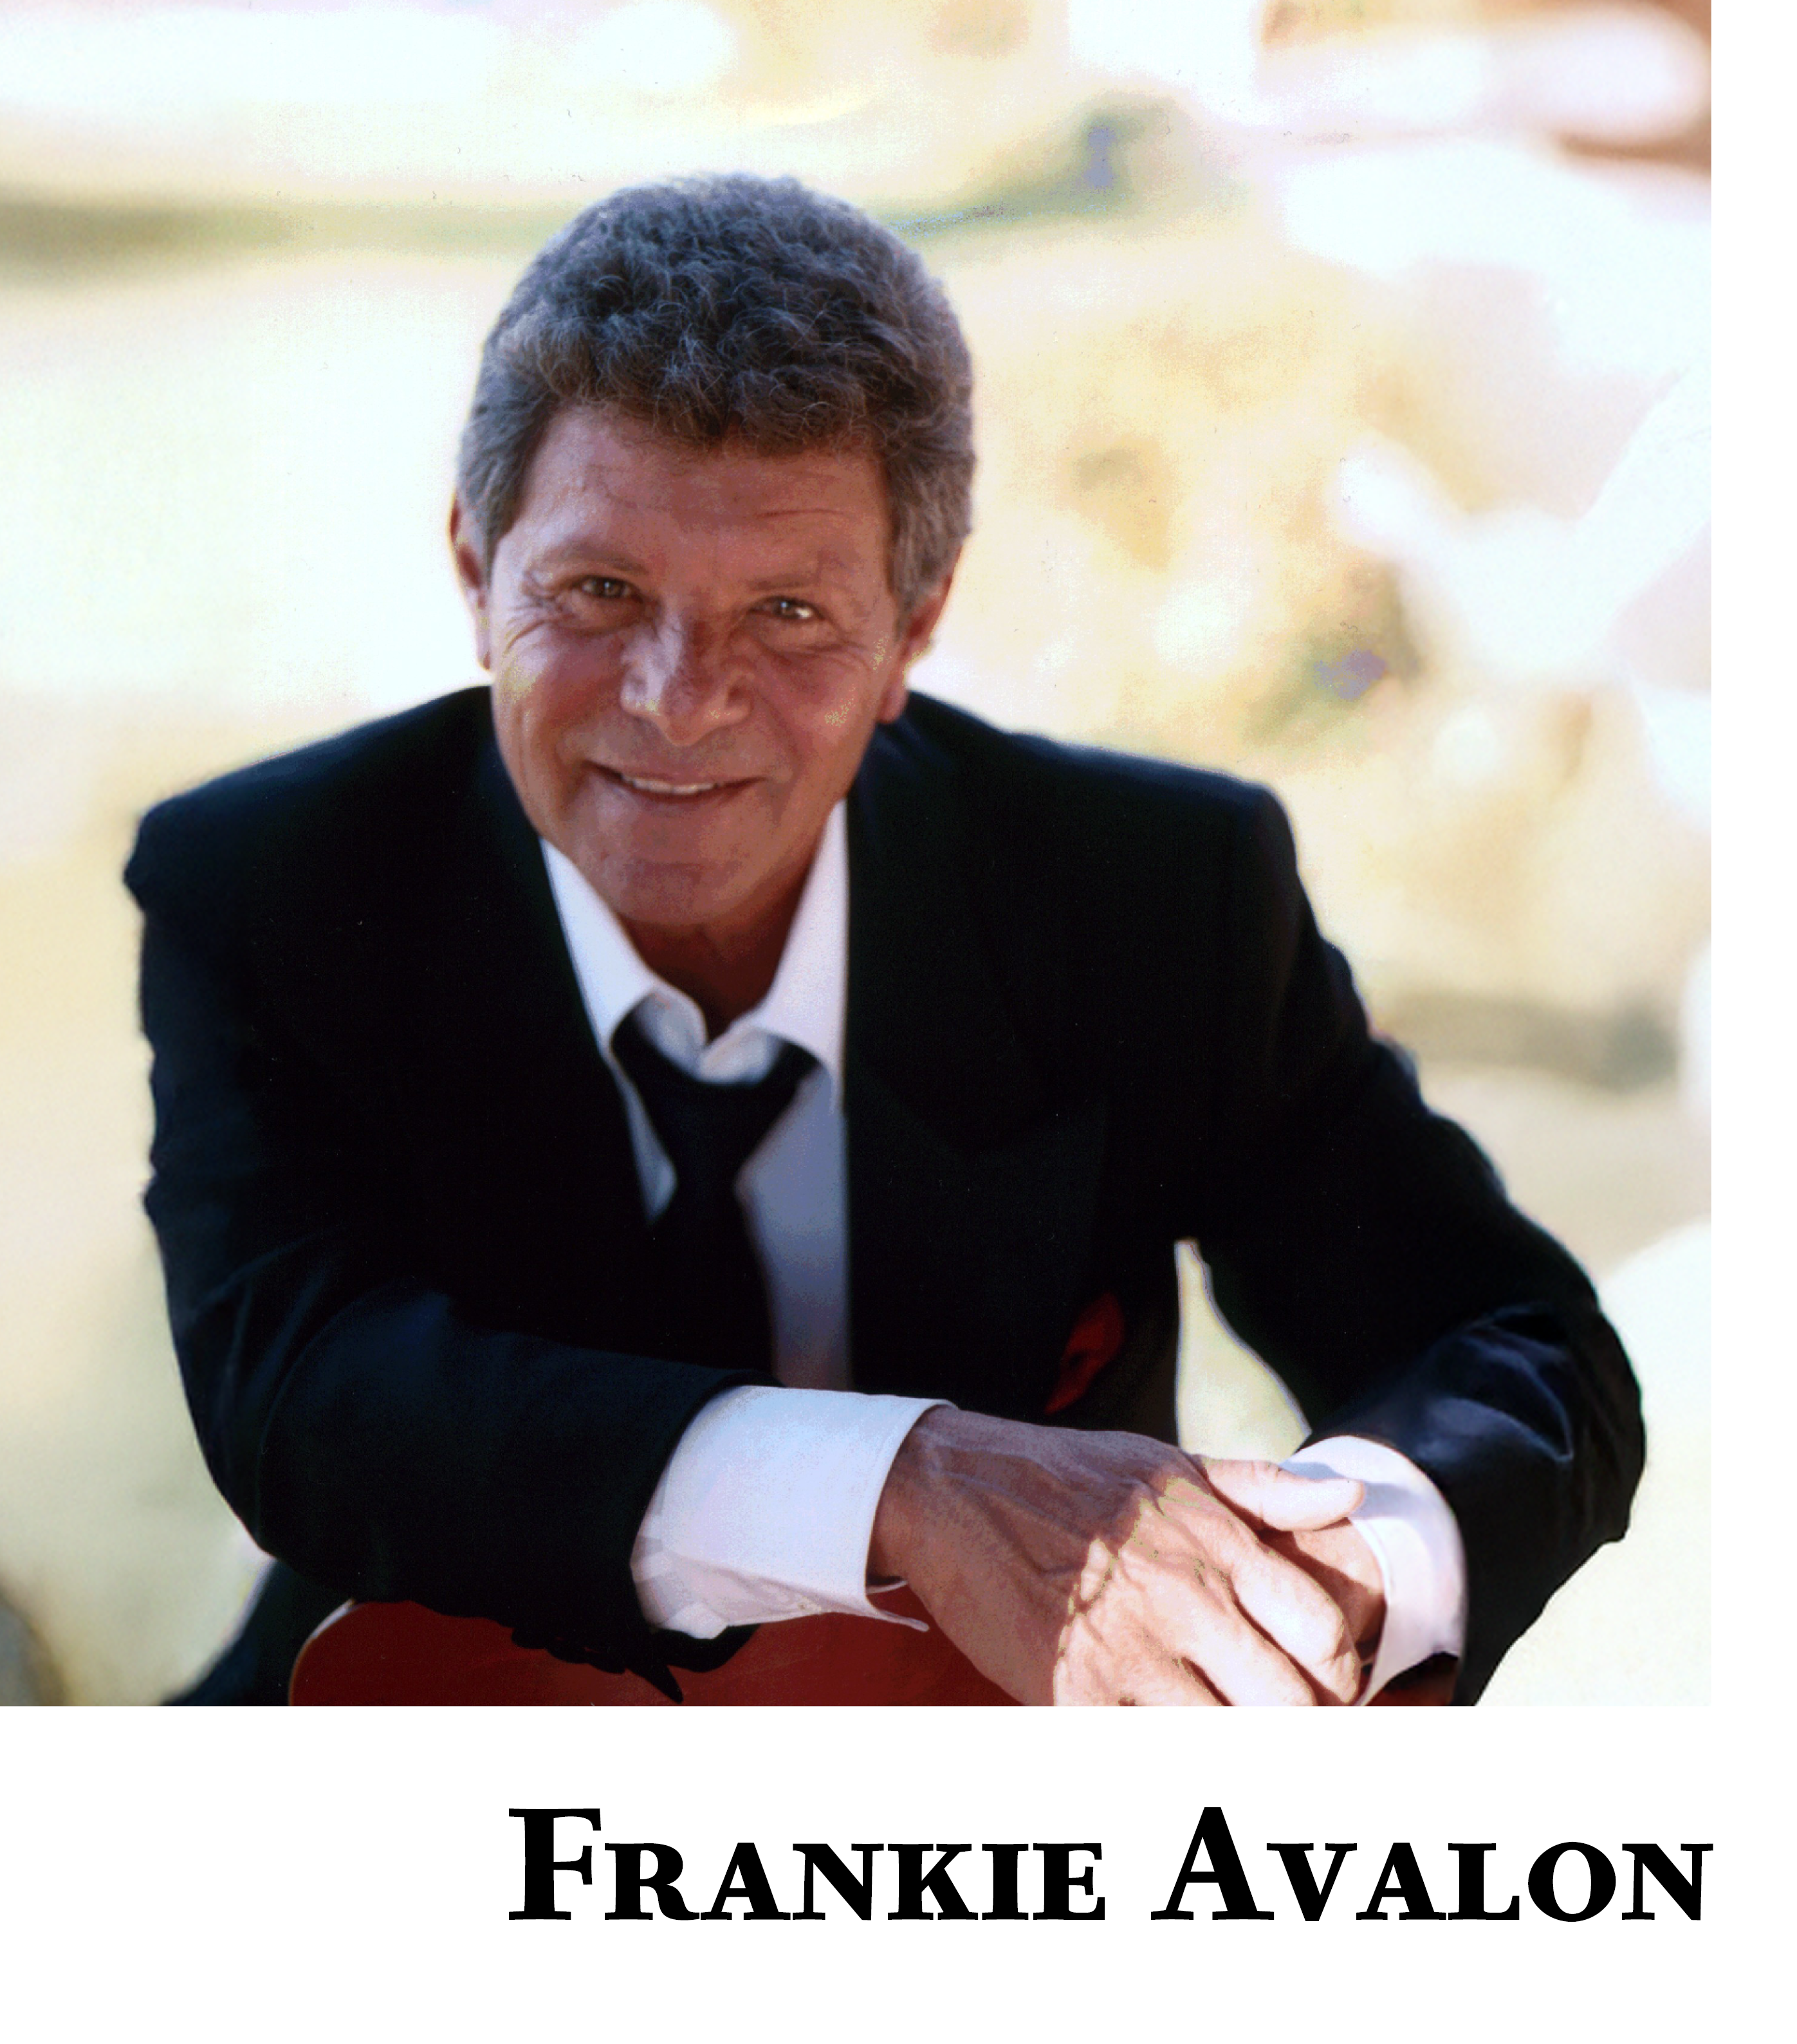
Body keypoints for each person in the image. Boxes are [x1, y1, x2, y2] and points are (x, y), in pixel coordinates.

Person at [127, 176, 1643, 1708]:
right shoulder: (270, 879)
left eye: (787, 613)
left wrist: (1318, 1590)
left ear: (915, 628)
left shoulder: (1155, 887)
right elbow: (306, 1390)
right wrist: (902, 1482)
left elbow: (1508, 1347)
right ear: (474, 570)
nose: (677, 697)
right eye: (598, 591)